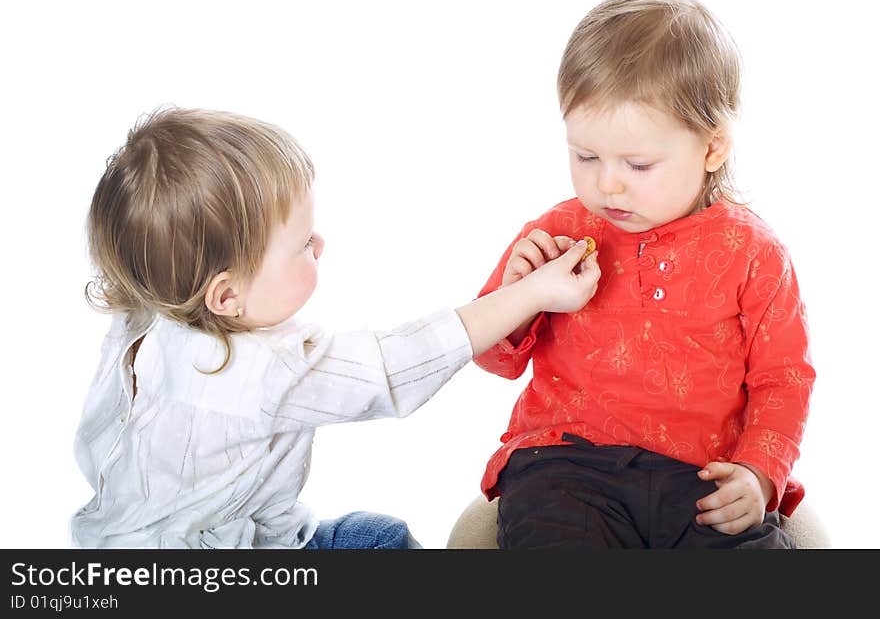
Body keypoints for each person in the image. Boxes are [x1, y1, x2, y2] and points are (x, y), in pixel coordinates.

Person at [71, 107, 601, 549]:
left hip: (128, 541)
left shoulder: (148, 316)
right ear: (226, 295)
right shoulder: (258, 371)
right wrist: (530, 294)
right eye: (302, 244)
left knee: (373, 536)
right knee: (381, 544)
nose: (319, 244)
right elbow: (395, 365)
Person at [473, 0, 815, 548]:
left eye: (637, 164)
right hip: (566, 464)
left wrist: (759, 470)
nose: (607, 183)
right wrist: (519, 296)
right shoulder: (559, 231)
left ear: (712, 148)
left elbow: (784, 378)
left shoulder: (754, 251)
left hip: (701, 475)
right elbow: (494, 356)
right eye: (585, 156)